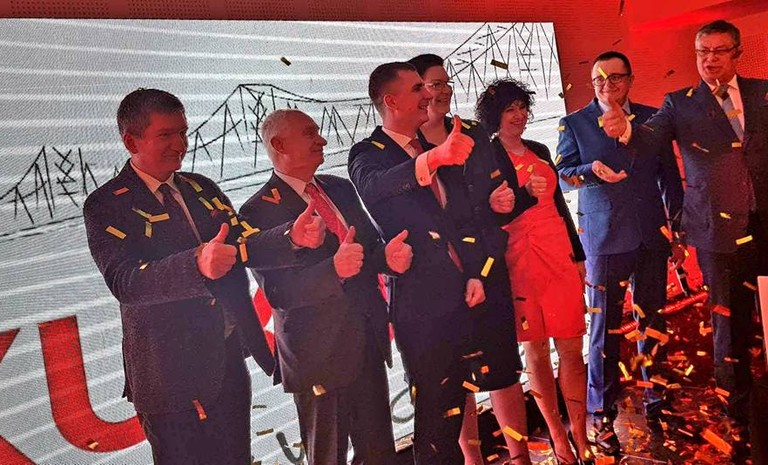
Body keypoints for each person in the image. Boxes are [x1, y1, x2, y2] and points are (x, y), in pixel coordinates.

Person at [83, 89, 325, 465]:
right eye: (166, 135)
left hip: (226, 358)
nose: (180, 144)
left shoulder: (200, 187)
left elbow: (243, 243)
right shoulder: (106, 204)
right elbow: (126, 282)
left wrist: (289, 237)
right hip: (170, 376)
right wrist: (195, 264)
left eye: (182, 132)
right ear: (131, 141)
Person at [349, 62, 531, 464]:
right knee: (435, 425)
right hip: (422, 308)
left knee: (461, 403)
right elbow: (375, 187)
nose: (428, 96)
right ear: (391, 101)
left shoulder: (431, 150)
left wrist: (475, 273)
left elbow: (459, 222)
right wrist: (435, 159)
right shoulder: (367, 154)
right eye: (418, 89)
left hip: (463, 296)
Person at [601, 19, 768, 427]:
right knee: (728, 319)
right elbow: (650, 137)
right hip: (716, 229)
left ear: (737, 53)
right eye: (702, 52)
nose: (710, 59)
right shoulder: (679, 102)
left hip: (764, 220)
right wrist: (626, 132)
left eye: (719, 51)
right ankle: (737, 406)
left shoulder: (762, 92)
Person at [239, 109, 413, 465]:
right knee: (328, 456)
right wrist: (333, 270)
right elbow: (279, 294)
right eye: (309, 133)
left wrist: (386, 258)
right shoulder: (256, 212)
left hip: (366, 337)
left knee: (380, 453)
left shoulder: (338, 188)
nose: (321, 139)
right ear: (279, 145)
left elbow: (366, 248)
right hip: (317, 355)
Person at [556, 51, 684, 455]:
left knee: (653, 322)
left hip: (650, 235)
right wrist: (590, 170)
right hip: (603, 240)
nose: (607, 86)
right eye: (599, 79)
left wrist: (677, 231)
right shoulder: (574, 123)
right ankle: (601, 412)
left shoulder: (652, 118)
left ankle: (658, 399)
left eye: (615, 78)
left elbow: (669, 178)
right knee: (603, 330)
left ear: (629, 80)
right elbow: (563, 175)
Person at [407, 53, 529, 465]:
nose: (442, 91)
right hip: (448, 278)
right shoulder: (409, 148)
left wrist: (503, 201)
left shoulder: (474, 131)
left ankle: (520, 457)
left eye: (446, 83)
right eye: (432, 84)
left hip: (489, 267)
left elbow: (501, 194)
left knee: (503, 369)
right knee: (461, 379)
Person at [476, 78, 593, 464]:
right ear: (494, 116)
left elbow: (560, 205)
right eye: (509, 109)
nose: (519, 115)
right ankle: (557, 435)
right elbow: (488, 216)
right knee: (537, 352)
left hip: (558, 251)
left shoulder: (540, 149)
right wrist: (522, 196)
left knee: (572, 348)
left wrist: (578, 255)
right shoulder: (485, 159)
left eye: (522, 108)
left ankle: (581, 431)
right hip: (518, 259)